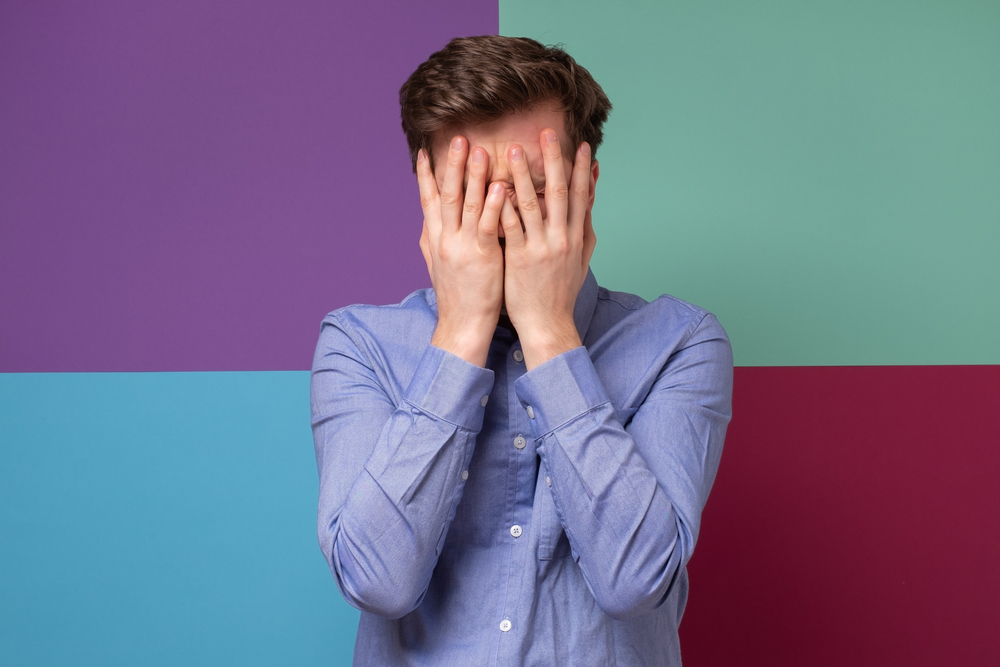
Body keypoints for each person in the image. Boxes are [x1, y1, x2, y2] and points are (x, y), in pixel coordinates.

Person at [310, 35, 733, 666]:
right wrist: (461, 328)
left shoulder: (680, 342)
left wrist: (547, 329)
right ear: (428, 194)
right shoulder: (358, 346)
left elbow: (637, 582)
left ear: (585, 183)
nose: (506, 222)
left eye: (535, 190)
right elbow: (378, 582)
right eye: (475, 193)